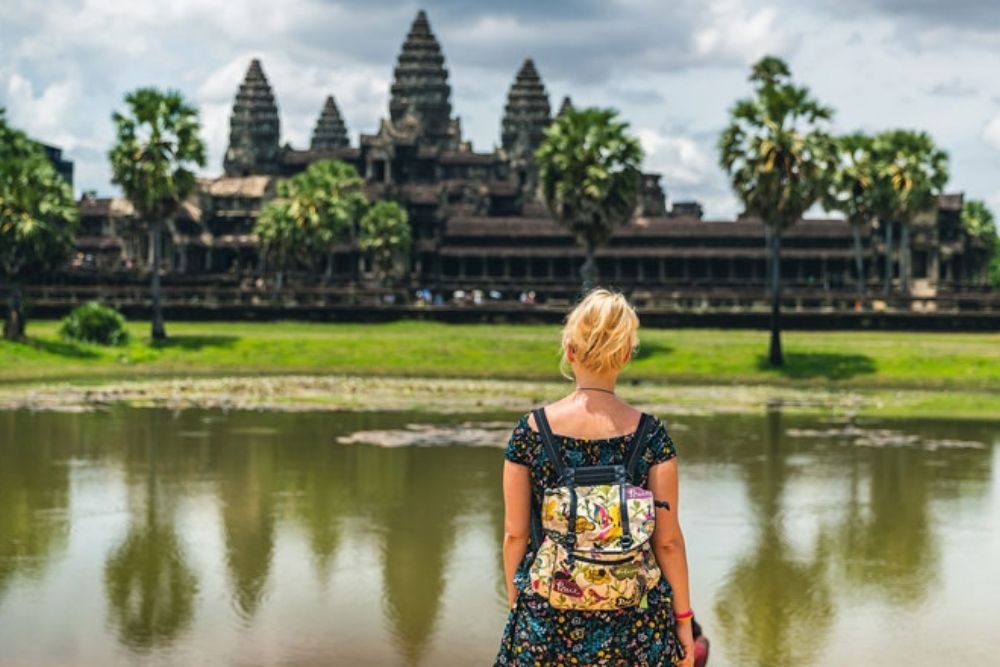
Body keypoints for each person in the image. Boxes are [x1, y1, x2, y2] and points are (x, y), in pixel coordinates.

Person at [495, 287, 695, 667]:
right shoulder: (652, 436)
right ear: (624, 355)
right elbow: (667, 542)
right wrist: (683, 620)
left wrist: (517, 601)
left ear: (570, 352)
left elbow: (515, 535)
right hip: (635, 625)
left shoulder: (530, 432)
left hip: (547, 620)